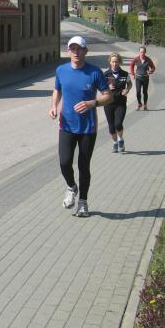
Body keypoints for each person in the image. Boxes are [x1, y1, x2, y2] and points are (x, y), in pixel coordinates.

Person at [48, 35, 112, 217]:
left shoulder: (95, 72)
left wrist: (93, 103)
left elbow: (109, 96)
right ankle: (71, 187)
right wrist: (53, 106)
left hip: (87, 128)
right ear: (68, 51)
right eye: (72, 48)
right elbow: (57, 90)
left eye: (79, 49)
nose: (76, 52)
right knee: (64, 162)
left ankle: (83, 202)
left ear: (85, 51)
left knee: (84, 166)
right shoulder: (61, 70)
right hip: (66, 125)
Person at [103, 53, 132, 153]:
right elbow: (100, 88)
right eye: (113, 61)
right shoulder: (105, 75)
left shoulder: (125, 74)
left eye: (116, 62)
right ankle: (115, 142)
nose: (114, 64)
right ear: (110, 62)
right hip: (108, 103)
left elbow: (130, 84)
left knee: (118, 124)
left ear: (119, 62)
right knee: (111, 127)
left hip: (121, 103)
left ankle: (120, 139)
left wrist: (127, 89)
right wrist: (107, 87)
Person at [129, 46, 156, 110]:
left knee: (145, 92)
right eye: (141, 52)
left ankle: (145, 105)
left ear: (145, 52)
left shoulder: (148, 60)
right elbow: (131, 65)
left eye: (143, 52)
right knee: (138, 92)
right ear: (139, 52)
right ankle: (139, 103)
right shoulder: (136, 59)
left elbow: (153, 67)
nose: (142, 53)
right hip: (138, 78)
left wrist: (151, 71)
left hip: (145, 78)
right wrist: (133, 74)